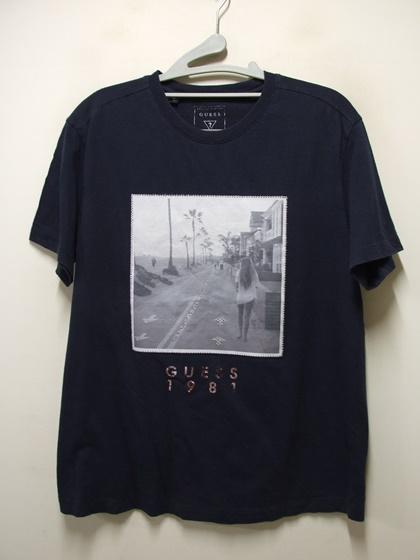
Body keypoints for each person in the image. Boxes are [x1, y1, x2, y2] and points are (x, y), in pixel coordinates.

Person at [234, 257, 263, 342]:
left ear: (242, 264)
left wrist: (240, 290)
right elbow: (257, 285)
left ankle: (240, 334)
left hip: (240, 297)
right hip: (250, 298)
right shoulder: (254, 273)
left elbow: (236, 287)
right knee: (247, 316)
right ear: (250, 264)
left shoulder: (238, 272)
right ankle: (245, 337)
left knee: (240, 315)